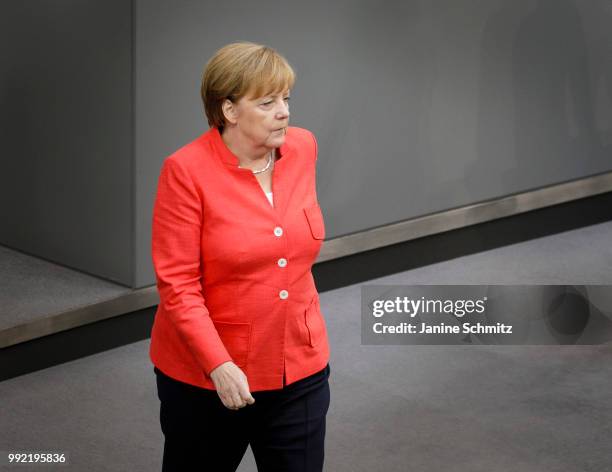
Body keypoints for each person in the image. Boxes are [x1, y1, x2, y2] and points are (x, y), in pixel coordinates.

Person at [149, 41, 331, 472]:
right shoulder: (186, 171)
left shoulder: (302, 148)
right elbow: (178, 286)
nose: (284, 111)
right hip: (210, 380)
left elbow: (290, 253)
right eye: (267, 102)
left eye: (286, 99)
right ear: (229, 110)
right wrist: (219, 365)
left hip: (299, 369)